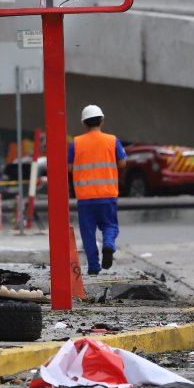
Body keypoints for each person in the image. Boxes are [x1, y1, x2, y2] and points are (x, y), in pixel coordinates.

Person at [69, 104, 126, 275]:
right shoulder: (112, 140)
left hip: (85, 198)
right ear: (102, 121)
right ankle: (108, 244)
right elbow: (123, 163)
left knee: (88, 234)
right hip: (107, 195)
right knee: (110, 226)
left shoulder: (76, 143)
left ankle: (94, 267)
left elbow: (69, 167)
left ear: (84, 124)